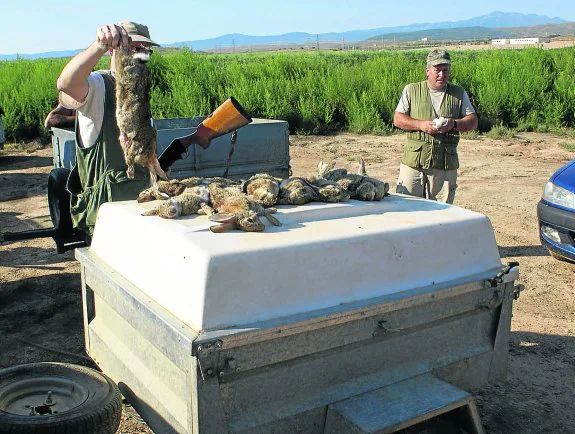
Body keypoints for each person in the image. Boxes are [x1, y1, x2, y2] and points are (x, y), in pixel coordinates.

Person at [57, 21, 159, 235]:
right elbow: (66, 84)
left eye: (145, 51)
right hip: (108, 219)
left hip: (140, 211)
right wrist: (98, 46)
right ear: (113, 50)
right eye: (132, 48)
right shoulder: (99, 85)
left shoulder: (139, 88)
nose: (139, 56)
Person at [393, 49, 478, 204]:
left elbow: (472, 121)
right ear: (427, 71)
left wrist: (453, 124)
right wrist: (420, 125)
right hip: (414, 163)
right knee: (406, 208)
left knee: (442, 214)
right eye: (437, 70)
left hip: (444, 165)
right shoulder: (411, 90)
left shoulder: (458, 93)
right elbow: (398, 119)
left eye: (445, 70)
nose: (441, 75)